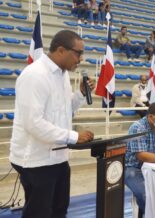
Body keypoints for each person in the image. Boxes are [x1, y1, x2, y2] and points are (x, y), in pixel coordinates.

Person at [9, 30, 95, 218]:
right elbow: (34, 123)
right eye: (78, 53)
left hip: (58, 157)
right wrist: (74, 137)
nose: (81, 59)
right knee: (39, 213)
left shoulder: (62, 75)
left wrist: (80, 95)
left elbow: (64, 111)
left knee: (59, 210)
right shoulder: (35, 75)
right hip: (36, 160)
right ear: (61, 50)